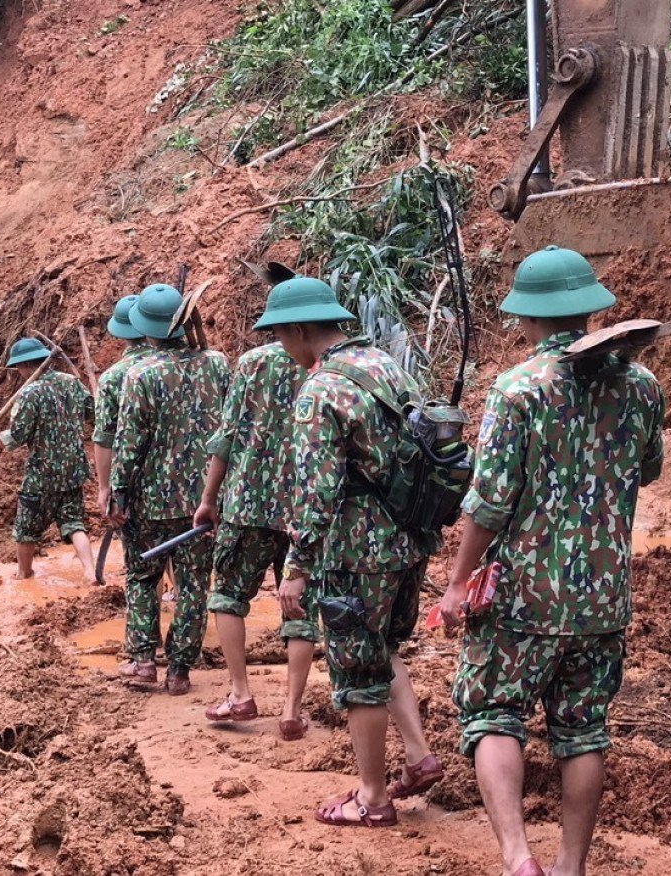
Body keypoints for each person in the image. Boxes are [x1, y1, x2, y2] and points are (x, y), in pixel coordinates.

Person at [437, 246, 664, 876]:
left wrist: (458, 585)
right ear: (590, 311)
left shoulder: (517, 390)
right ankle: (571, 866)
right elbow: (648, 469)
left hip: (522, 597)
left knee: (493, 712)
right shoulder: (641, 385)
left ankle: (518, 859)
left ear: (528, 318)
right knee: (583, 729)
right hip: (603, 595)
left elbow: (488, 505)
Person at [257, 275, 440, 828]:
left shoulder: (320, 390)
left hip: (354, 551)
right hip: (408, 539)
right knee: (380, 648)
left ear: (298, 329)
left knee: (358, 674)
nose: (281, 347)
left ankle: (372, 796)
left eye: (280, 335)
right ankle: (418, 755)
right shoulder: (387, 366)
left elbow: (316, 491)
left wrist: (296, 569)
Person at [195, 338, 319, 739]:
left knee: (229, 596)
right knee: (299, 608)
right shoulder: (328, 363)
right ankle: (292, 710)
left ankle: (241, 693)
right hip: (304, 508)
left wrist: (209, 498)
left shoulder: (252, 362)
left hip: (247, 502)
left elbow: (226, 437)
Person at [109, 284, 228, 694]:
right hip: (205, 499)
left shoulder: (140, 374)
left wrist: (117, 493)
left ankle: (143, 662)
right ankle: (179, 670)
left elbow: (128, 442)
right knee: (195, 583)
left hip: (150, 500)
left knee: (143, 577)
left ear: (144, 328)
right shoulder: (216, 364)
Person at [0, 337, 97, 583]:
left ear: (25, 366)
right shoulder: (71, 383)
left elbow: (18, 436)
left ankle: (23, 573)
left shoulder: (30, 393)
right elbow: (92, 413)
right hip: (73, 468)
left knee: (26, 528)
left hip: (42, 473)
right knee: (74, 523)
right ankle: (90, 572)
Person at [92, 295, 159, 516]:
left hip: (140, 493)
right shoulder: (188, 363)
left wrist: (105, 489)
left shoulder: (112, 378)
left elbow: (105, 438)